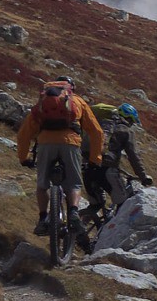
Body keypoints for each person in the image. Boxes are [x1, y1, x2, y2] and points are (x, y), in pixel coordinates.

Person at [16, 75, 105, 248]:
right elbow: (96, 132)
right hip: (70, 144)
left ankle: (43, 219)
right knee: (74, 184)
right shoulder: (78, 101)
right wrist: (95, 159)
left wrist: (23, 157)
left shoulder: (42, 104)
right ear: (71, 89)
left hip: (46, 144)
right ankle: (72, 212)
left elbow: (24, 133)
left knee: (42, 185)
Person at [83, 102, 153, 221]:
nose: (131, 124)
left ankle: (77, 229)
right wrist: (143, 177)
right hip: (107, 171)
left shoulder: (100, 124)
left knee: (95, 205)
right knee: (123, 204)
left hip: (87, 168)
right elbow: (133, 156)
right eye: (131, 121)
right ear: (128, 118)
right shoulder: (125, 130)